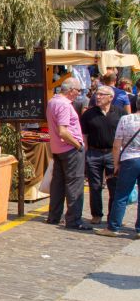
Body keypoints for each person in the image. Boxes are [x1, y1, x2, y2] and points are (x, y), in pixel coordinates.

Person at [46, 78, 92, 230]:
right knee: (74, 184)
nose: (79, 93)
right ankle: (73, 220)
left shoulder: (53, 101)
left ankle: (54, 216)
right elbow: (63, 131)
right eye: (78, 90)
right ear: (71, 90)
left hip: (58, 148)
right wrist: (78, 145)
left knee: (58, 183)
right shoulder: (64, 105)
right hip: (69, 149)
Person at [95, 104, 140, 238]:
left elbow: (116, 144)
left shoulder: (126, 119)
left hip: (129, 160)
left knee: (121, 195)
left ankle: (113, 227)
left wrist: (116, 163)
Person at [80, 85, 122, 224]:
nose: (97, 97)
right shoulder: (89, 114)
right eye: (97, 94)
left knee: (114, 186)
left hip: (112, 154)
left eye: (102, 94)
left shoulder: (120, 113)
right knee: (95, 186)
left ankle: (113, 217)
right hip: (94, 153)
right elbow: (84, 135)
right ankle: (96, 215)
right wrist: (85, 152)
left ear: (111, 97)